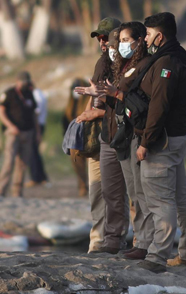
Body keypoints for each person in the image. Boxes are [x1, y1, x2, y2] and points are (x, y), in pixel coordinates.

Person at [126, 12, 186, 272]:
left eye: (147, 34)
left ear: (159, 35)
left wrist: (146, 141)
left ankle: (157, 256)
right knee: (181, 198)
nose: (145, 39)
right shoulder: (180, 55)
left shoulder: (166, 61)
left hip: (163, 140)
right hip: (177, 137)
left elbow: (159, 105)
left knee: (160, 199)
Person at [79, 21, 154, 258]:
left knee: (136, 193)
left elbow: (138, 105)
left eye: (115, 41)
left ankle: (142, 242)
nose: (108, 46)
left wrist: (110, 97)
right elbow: (113, 102)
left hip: (129, 135)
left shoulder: (142, 66)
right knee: (110, 192)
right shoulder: (111, 65)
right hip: (109, 135)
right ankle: (113, 239)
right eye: (110, 41)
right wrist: (100, 97)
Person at [77, 17, 120, 252]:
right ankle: (97, 242)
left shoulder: (125, 65)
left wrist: (95, 114)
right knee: (97, 191)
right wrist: (85, 122)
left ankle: (121, 241)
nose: (102, 42)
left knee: (118, 194)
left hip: (118, 136)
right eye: (100, 38)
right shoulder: (102, 63)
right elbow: (94, 99)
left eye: (107, 38)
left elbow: (120, 104)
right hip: (99, 138)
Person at [0, 71, 38, 197]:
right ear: (18, 81)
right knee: (9, 162)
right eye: (23, 81)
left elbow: (34, 114)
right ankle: (1, 191)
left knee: (23, 164)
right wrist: (10, 126)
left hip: (28, 132)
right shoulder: (9, 94)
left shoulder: (29, 94)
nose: (25, 84)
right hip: (13, 133)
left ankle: (17, 193)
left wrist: (37, 132)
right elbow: (0, 112)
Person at [63, 78, 90, 197]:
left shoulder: (88, 103)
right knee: (77, 165)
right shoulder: (70, 106)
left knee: (91, 165)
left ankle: (91, 187)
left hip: (88, 138)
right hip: (74, 140)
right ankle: (82, 186)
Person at [26, 83, 49, 187]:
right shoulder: (39, 94)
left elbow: (36, 112)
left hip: (37, 126)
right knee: (34, 152)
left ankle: (36, 178)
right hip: (39, 125)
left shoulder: (36, 96)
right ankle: (41, 177)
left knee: (32, 152)